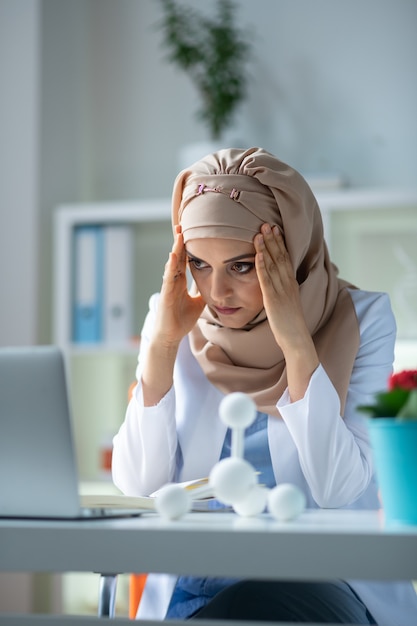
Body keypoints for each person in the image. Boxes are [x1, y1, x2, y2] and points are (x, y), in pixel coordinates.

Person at [112, 147, 417, 624]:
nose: (217, 293)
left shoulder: (361, 319)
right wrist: (161, 346)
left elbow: (337, 489)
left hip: (321, 580)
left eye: (241, 265)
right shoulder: (178, 318)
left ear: (290, 256)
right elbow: (139, 484)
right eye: (199, 263)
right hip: (194, 585)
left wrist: (296, 342)